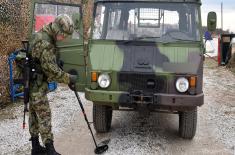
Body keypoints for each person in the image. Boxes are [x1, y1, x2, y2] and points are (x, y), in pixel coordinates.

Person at [29, 14, 77, 155]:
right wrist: (69, 78)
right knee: (44, 115)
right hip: (36, 85)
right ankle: (49, 150)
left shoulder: (42, 33)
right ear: (57, 30)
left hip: (32, 82)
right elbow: (53, 73)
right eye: (63, 35)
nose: (63, 38)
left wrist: (55, 62)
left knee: (33, 114)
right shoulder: (46, 43)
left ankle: (35, 147)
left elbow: (43, 62)